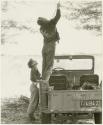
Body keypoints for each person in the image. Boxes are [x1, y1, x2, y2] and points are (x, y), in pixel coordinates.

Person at [37, 2, 61, 81]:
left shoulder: (41, 29)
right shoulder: (51, 23)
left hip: (44, 47)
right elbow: (58, 16)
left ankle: (42, 81)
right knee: (50, 66)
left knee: (44, 66)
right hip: (51, 46)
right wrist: (58, 8)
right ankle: (44, 82)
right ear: (44, 20)